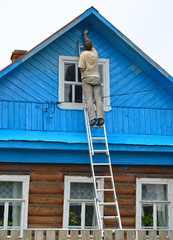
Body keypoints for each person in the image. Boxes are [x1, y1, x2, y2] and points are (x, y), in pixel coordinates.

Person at [78, 29, 105, 127]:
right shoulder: (95, 52)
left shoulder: (83, 54)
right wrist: (85, 34)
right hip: (96, 78)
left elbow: (81, 68)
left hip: (87, 78)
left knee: (89, 99)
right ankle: (101, 118)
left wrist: (85, 67)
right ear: (92, 47)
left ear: (84, 47)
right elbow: (89, 43)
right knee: (98, 99)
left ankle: (92, 118)